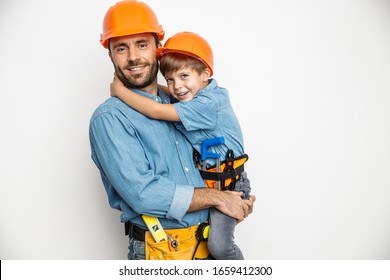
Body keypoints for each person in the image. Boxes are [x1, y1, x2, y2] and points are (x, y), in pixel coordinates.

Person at [89, 0, 255, 260]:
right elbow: (145, 194)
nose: (133, 56)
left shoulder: (181, 101)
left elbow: (207, 160)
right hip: (162, 254)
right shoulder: (110, 118)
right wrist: (218, 198)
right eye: (121, 48)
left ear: (158, 49)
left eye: (142, 44)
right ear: (110, 54)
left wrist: (233, 198)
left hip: (207, 245)